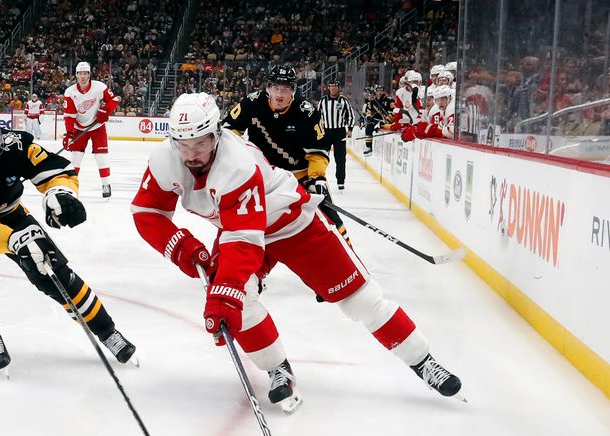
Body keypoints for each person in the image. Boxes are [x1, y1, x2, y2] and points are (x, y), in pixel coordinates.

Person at [131, 93, 463, 412]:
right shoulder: (166, 159)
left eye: (200, 143)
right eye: (183, 144)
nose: (191, 154)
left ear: (217, 135)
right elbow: (148, 213)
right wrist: (184, 250)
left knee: (360, 300)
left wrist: (224, 294)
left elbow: (244, 241)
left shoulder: (236, 164)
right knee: (240, 302)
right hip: (240, 230)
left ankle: (424, 361)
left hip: (291, 224)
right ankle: (278, 368)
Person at [0, 104, 136, 370]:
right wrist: (16, 240)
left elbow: (58, 172)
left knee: (51, 267)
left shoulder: (15, 145)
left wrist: (59, 193)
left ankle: (107, 331)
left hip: (6, 210)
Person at [222, 64, 349, 242]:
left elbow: (318, 152)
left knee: (332, 223)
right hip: (264, 179)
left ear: (293, 91)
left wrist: (317, 178)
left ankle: (346, 256)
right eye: (276, 88)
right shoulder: (252, 103)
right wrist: (235, 163)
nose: (280, 94)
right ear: (268, 88)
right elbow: (228, 133)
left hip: (301, 177)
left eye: (286, 89)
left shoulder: (306, 112)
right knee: (249, 225)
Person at [63, 61, 120, 199]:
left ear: (89, 74)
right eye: (80, 73)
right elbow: (70, 116)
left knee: (101, 157)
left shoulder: (99, 87)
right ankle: (72, 186)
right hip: (78, 128)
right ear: (76, 75)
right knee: (76, 158)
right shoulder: (70, 92)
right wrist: (69, 134)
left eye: (85, 73)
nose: (82, 76)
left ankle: (106, 184)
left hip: (97, 127)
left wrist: (104, 110)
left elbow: (115, 100)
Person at [317, 80, 356, 190]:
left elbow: (351, 116)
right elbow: (317, 116)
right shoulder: (323, 101)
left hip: (340, 132)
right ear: (328, 88)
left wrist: (350, 129)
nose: (333, 88)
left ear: (338, 88)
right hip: (326, 132)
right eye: (331, 86)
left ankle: (340, 181)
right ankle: (320, 178)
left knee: (340, 158)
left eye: (335, 86)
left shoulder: (344, 100)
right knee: (322, 156)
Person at [362, 84, 393, 155]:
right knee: (369, 127)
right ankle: (369, 147)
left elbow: (394, 110)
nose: (379, 92)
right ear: (375, 91)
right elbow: (369, 111)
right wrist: (368, 116)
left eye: (381, 90)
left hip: (386, 121)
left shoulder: (388, 100)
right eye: (378, 90)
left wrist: (390, 117)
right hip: (377, 120)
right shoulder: (372, 102)